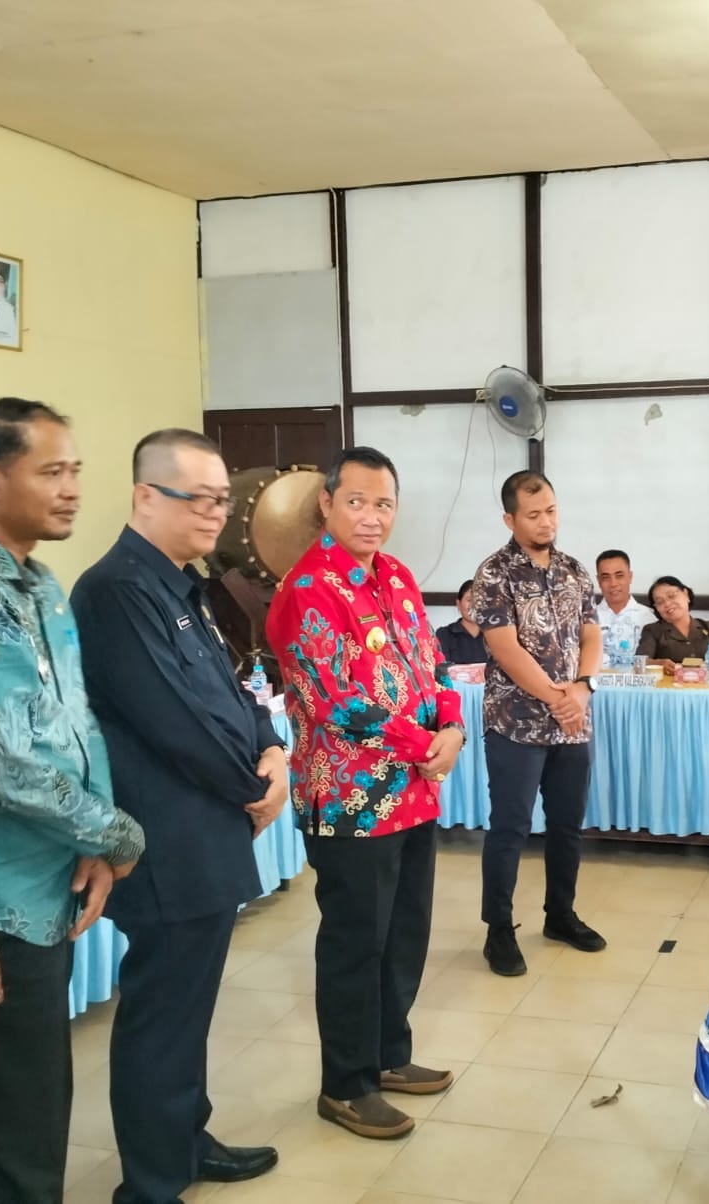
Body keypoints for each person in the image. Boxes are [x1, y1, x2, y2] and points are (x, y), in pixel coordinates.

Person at [0, 399, 146, 1203]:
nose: (72, 488)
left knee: (37, 1106)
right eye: (52, 471)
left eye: (74, 470)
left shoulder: (37, 581)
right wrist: (117, 832)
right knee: (7, 1125)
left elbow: (77, 724)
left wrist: (95, 839)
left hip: (49, 879)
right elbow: (7, 760)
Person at [71, 429, 286, 1203]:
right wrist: (251, 785)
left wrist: (271, 747)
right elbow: (173, 719)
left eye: (222, 500)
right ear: (144, 496)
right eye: (198, 498)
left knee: (190, 1009)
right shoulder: (116, 590)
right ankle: (152, 1182)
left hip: (205, 833)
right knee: (162, 1015)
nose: (215, 514)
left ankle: (186, 1142)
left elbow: (231, 689)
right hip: (168, 839)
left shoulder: (182, 584)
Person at [267, 446, 462, 1142]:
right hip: (349, 802)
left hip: (413, 792)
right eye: (357, 502)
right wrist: (422, 742)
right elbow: (334, 701)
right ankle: (346, 1086)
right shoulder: (307, 590)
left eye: (384, 504)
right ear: (327, 503)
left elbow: (433, 662)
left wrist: (452, 726)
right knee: (356, 943)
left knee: (405, 933)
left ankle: (388, 1056)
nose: (372, 516)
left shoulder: (397, 577)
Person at [470, 470, 605, 977]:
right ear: (510, 519)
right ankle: (498, 930)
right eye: (533, 515)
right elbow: (505, 650)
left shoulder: (574, 570)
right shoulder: (494, 573)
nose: (546, 522)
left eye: (551, 511)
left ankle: (560, 915)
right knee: (510, 827)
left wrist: (582, 689)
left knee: (568, 825)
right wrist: (558, 698)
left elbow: (592, 635)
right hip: (515, 723)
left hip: (572, 723)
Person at [635, 576, 709, 672]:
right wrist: (660, 664)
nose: (667, 604)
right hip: (670, 684)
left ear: (686, 594)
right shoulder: (652, 631)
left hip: (708, 684)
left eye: (671, 596)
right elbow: (639, 662)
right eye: (660, 602)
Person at [594, 549, 656, 666]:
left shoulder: (649, 617)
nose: (613, 583)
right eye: (606, 577)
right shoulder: (588, 618)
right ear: (598, 581)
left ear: (630, 577)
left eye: (619, 576)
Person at [435, 579, 489, 665]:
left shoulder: (494, 635)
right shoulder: (444, 634)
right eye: (469, 600)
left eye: (479, 601)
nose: (474, 606)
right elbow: (442, 669)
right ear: (458, 604)